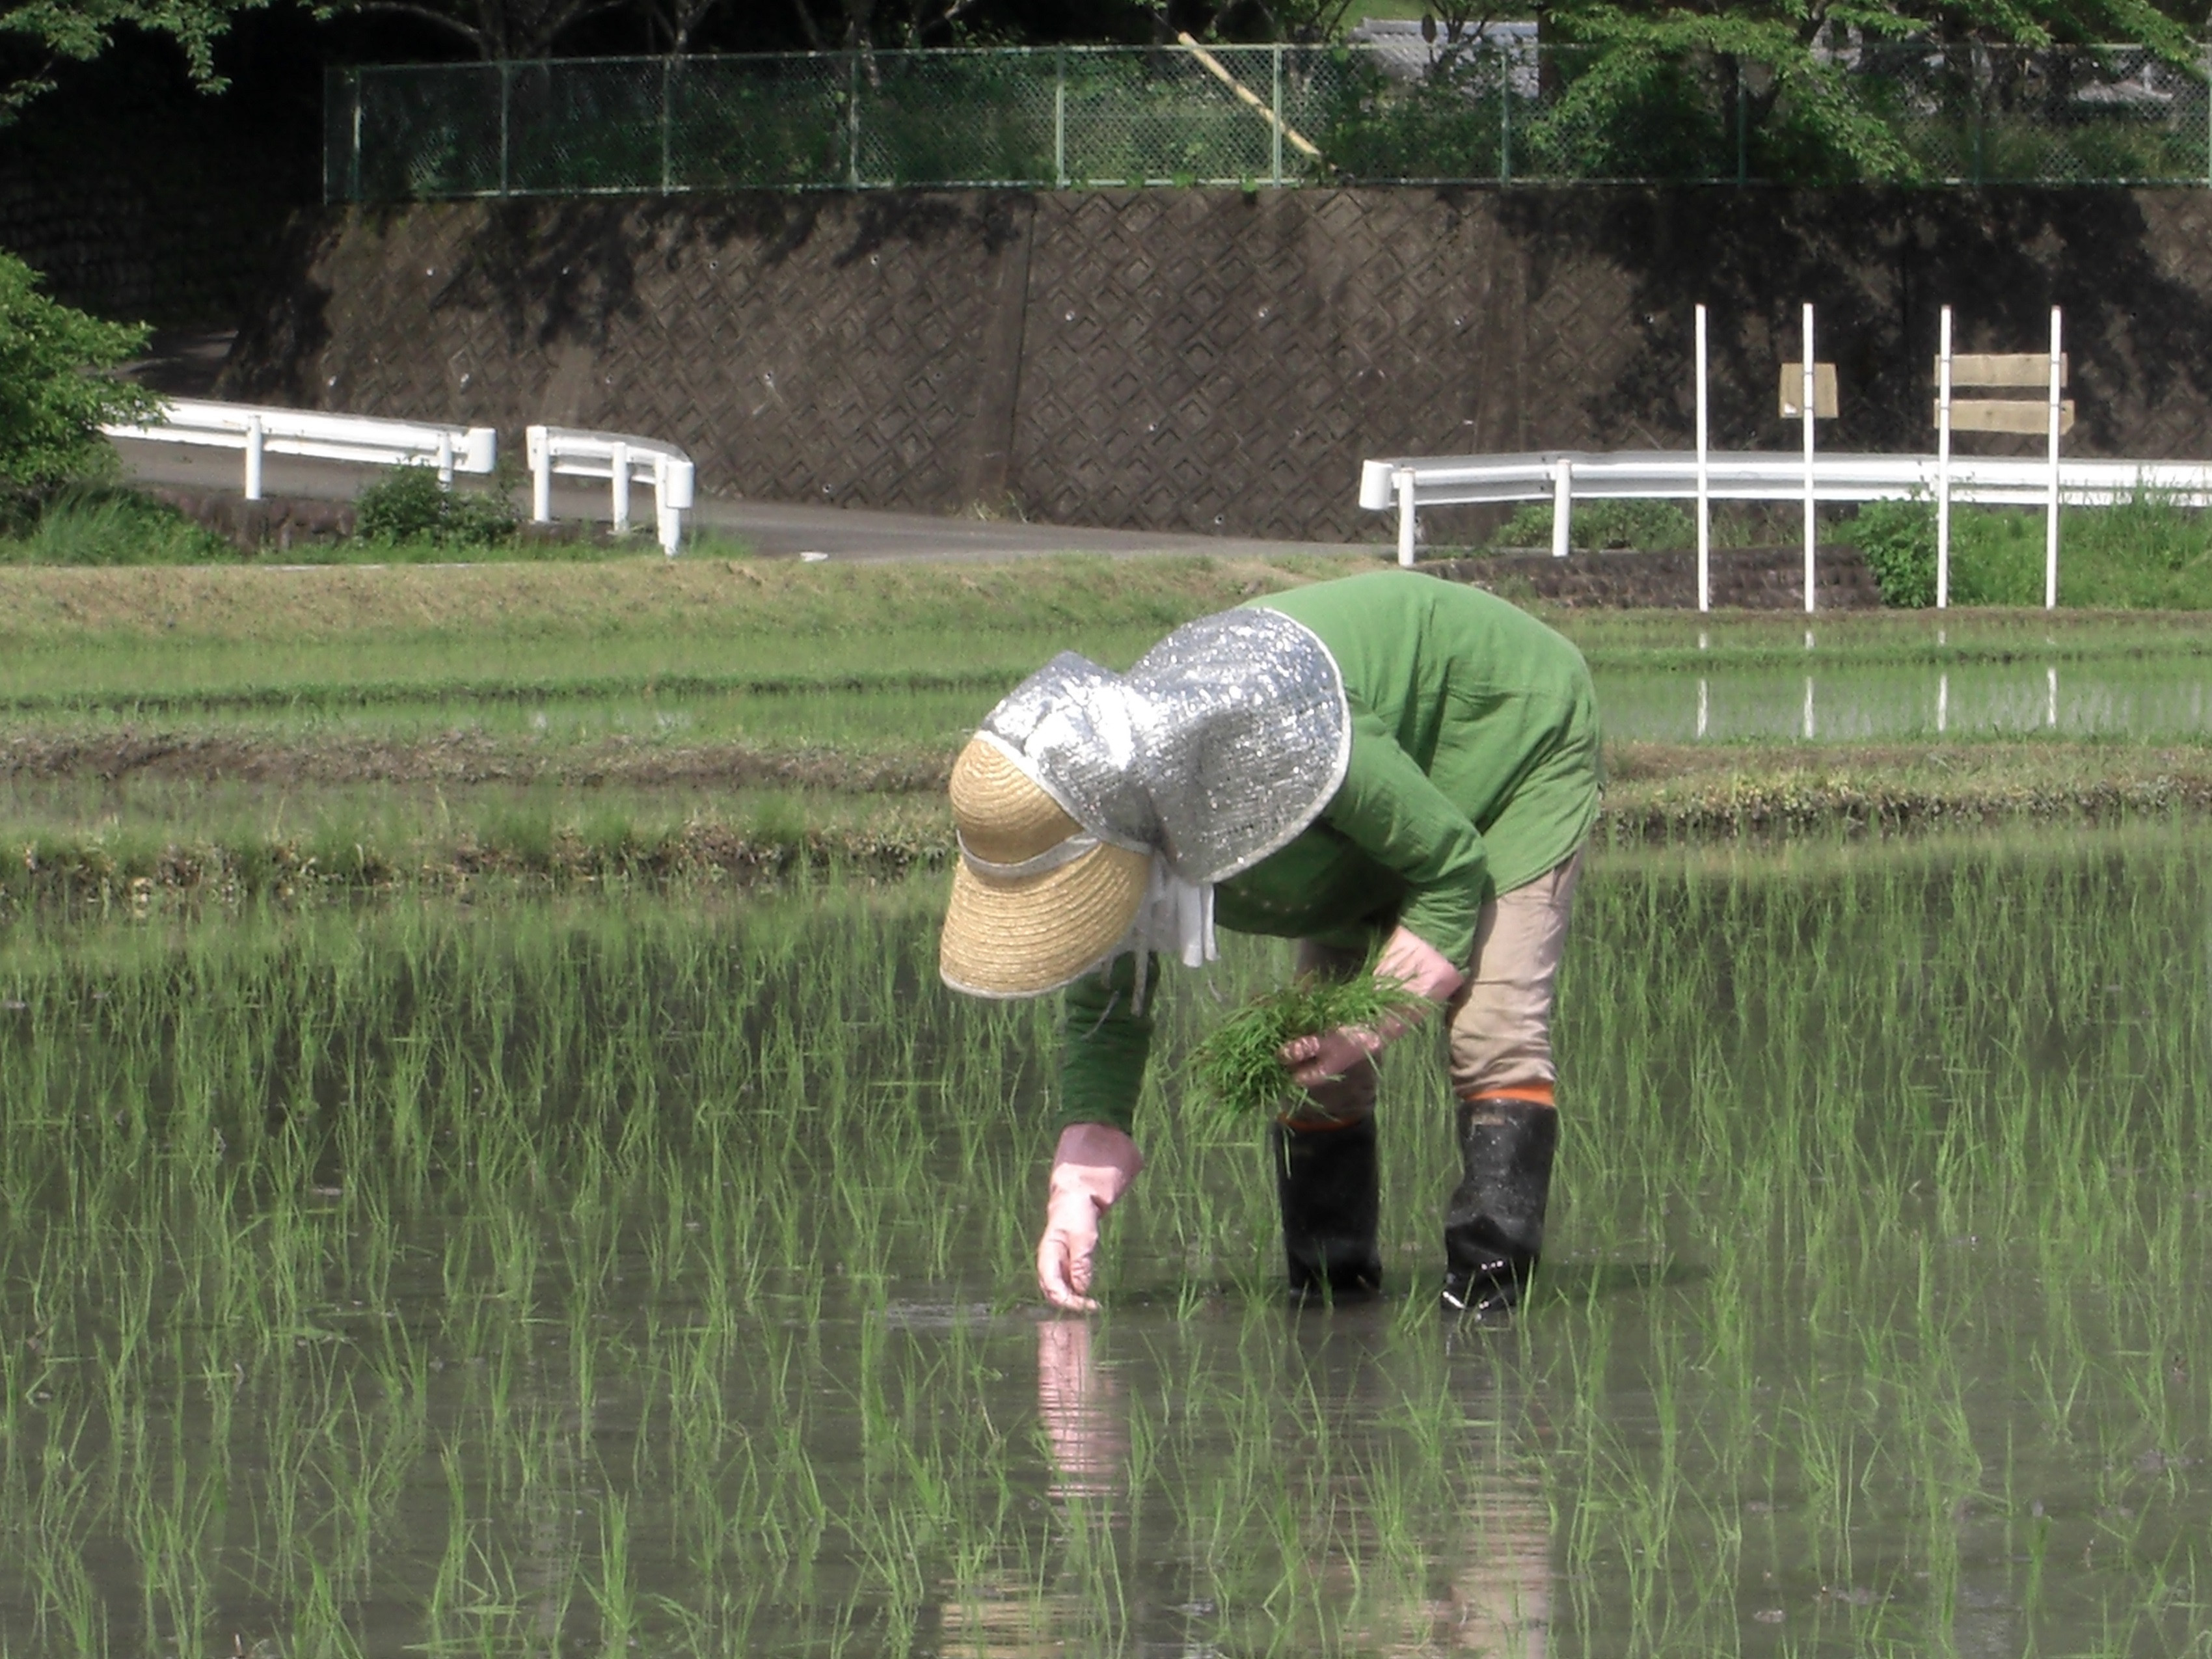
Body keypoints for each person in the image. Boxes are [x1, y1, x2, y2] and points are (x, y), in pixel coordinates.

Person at [937, 569, 1600, 1314]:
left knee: (1491, 1032)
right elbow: (1111, 991)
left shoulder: (1262, 733)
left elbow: (1447, 863)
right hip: (1364, 811)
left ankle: (1488, 1316)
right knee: (1312, 1065)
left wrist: (1372, 1016)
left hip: (1503, 733)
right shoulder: (1123, 801)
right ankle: (1329, 1301)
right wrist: (1080, 1180)